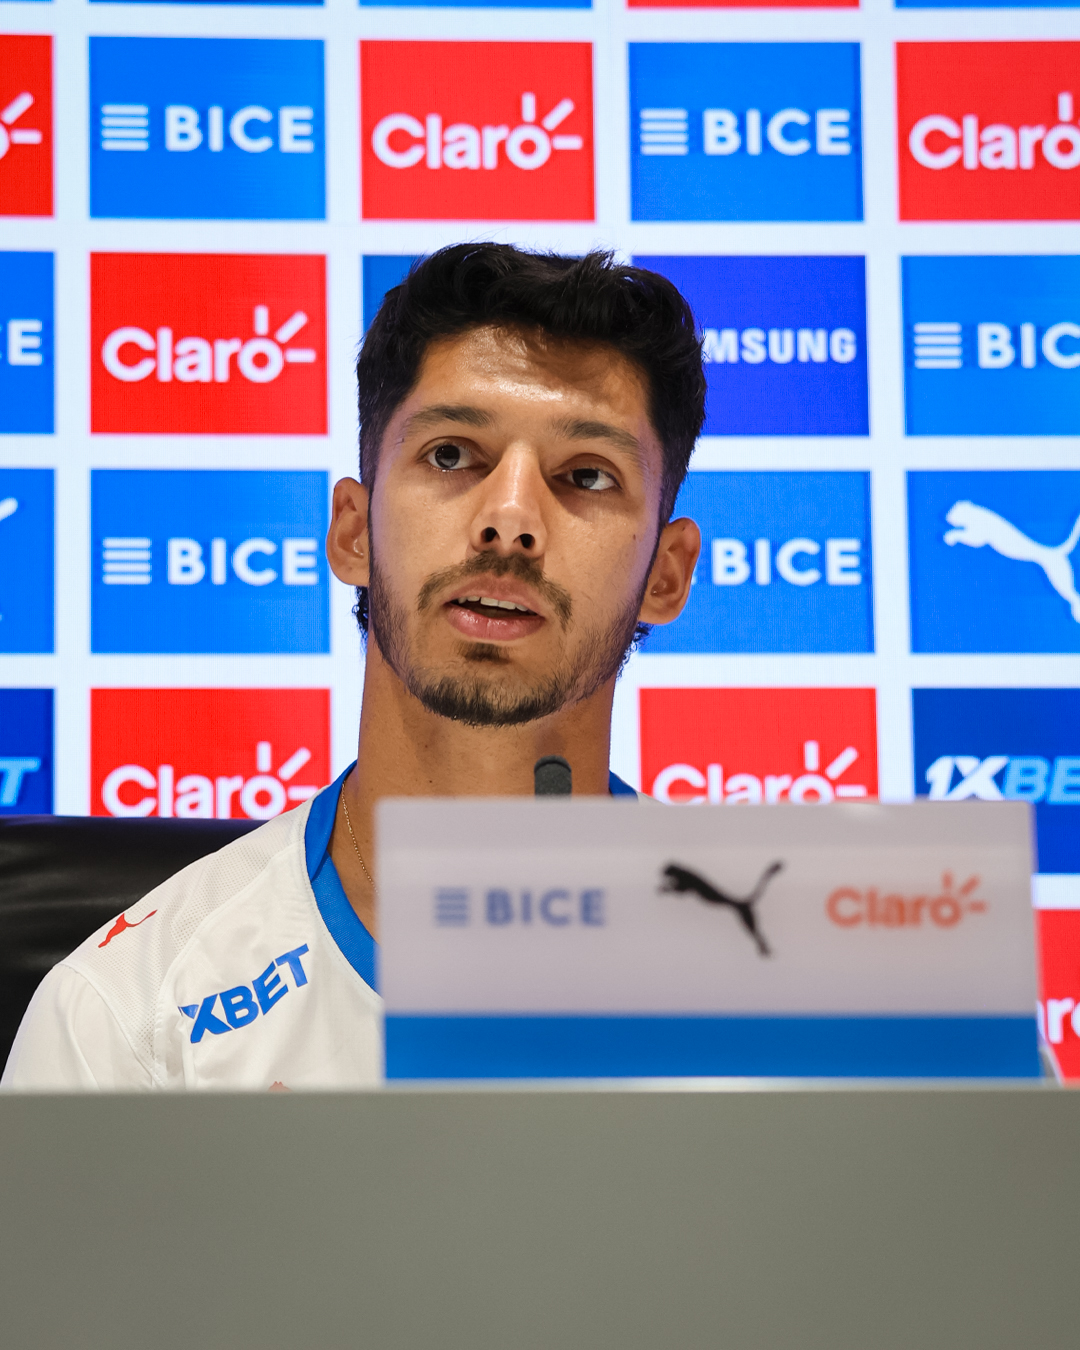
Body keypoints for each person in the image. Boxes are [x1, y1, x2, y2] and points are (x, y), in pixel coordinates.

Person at [2, 244, 705, 1091]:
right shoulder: (130, 1019)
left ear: (667, 575)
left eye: (586, 475)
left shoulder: (807, 996)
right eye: (451, 455)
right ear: (352, 532)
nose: (511, 519)